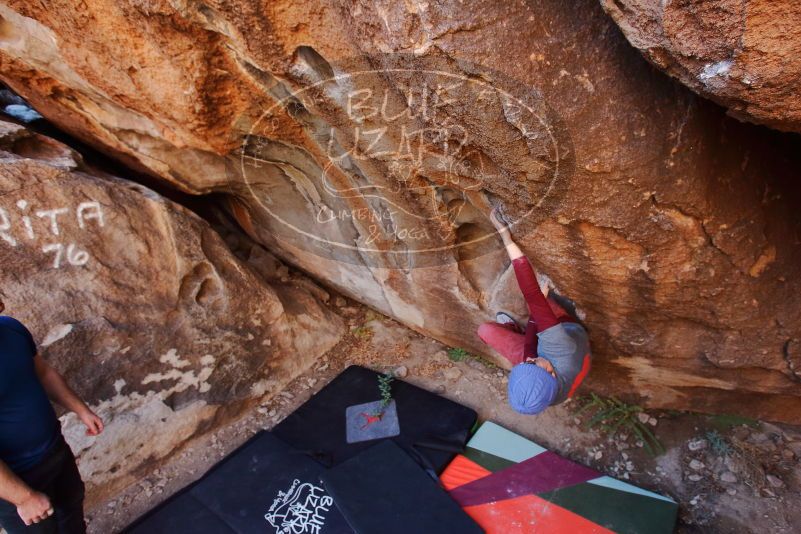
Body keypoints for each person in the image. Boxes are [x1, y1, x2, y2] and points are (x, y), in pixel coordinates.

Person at [0, 297, 104, 533]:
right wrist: (23, 497)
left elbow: (43, 373)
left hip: (55, 451)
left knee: (73, 515)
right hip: (18, 479)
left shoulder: (10, 328)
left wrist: (80, 409)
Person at [477, 208, 591, 415]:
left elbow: (531, 351)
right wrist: (505, 234)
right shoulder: (560, 351)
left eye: (524, 366)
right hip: (568, 333)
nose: (527, 361)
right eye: (531, 365)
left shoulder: (541, 394)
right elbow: (531, 294)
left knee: (486, 332)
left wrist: (534, 321)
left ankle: (515, 327)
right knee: (535, 304)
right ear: (551, 375)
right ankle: (538, 319)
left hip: (556, 353)